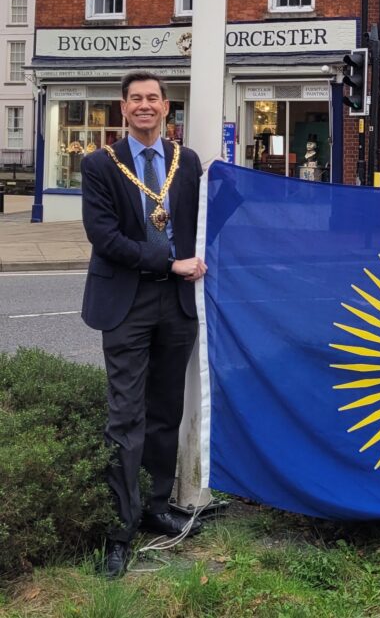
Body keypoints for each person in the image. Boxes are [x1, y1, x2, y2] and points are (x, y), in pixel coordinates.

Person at [81, 71, 208, 579]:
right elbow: (104, 236)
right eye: (135, 99)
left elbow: (205, 218)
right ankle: (120, 527)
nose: (145, 106)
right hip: (128, 300)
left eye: (152, 98)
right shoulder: (99, 165)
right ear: (123, 108)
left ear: (166, 107)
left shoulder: (188, 161)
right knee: (125, 417)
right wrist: (168, 263)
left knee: (164, 411)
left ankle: (157, 506)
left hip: (177, 304)